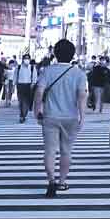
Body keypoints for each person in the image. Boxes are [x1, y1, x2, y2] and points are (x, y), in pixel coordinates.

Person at [35, 39, 89, 198]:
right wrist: (82, 116)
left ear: (55, 54)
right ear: (72, 54)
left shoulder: (48, 71)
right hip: (70, 117)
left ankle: (51, 180)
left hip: (50, 116)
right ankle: (62, 181)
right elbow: (81, 96)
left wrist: (37, 110)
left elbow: (39, 92)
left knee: (50, 151)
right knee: (66, 151)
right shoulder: (79, 73)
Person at [14, 54, 38, 122]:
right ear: (23, 59)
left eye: (28, 59)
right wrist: (14, 84)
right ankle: (22, 115)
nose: (26, 60)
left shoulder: (32, 68)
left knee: (27, 101)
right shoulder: (18, 67)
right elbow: (15, 76)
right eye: (25, 58)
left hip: (28, 85)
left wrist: (33, 84)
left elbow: (35, 77)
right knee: (21, 101)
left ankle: (24, 114)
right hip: (20, 85)